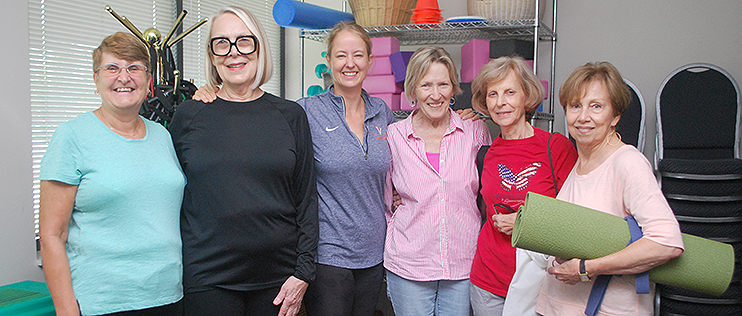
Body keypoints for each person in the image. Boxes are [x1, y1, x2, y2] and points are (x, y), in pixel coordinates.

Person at [168, 6, 318, 316]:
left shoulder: (291, 116)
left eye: (244, 41)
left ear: (259, 47)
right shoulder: (189, 115)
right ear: (212, 55)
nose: (233, 52)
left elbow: (306, 199)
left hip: (278, 276)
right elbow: (167, 195)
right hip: (207, 277)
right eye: (221, 43)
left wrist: (303, 272)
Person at [39, 32, 186, 316]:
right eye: (112, 68)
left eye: (134, 68)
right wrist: (66, 309)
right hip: (103, 301)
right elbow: (52, 235)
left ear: (148, 81)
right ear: (96, 80)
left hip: (168, 295)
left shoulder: (162, 135)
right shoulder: (71, 137)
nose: (124, 77)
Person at [536, 62, 684, 316]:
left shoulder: (627, 162)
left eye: (596, 106)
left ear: (615, 115)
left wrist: (586, 268)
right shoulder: (580, 162)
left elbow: (666, 242)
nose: (583, 117)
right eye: (575, 106)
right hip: (559, 306)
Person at [383, 46, 492, 316]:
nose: (435, 94)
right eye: (426, 85)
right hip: (409, 265)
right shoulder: (394, 135)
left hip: (463, 264)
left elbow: (487, 195)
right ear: (413, 91)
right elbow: (384, 200)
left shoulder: (475, 130)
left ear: (453, 87)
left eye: (443, 84)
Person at [468, 56, 578, 316]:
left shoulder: (555, 147)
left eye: (509, 92)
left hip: (539, 281)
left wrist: (522, 221)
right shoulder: (485, 152)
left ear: (526, 96)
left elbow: (575, 216)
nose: (500, 102)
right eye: (492, 94)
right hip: (488, 280)